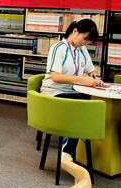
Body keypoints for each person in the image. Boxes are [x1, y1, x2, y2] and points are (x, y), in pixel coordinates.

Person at [40, 18, 102, 159]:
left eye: (88, 41)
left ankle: (78, 146)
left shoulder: (82, 49)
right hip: (54, 92)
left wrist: (95, 78)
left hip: (73, 91)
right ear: (75, 31)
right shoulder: (58, 48)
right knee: (79, 106)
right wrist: (81, 80)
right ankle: (67, 151)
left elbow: (91, 70)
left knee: (90, 102)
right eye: (84, 38)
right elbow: (55, 77)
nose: (85, 43)